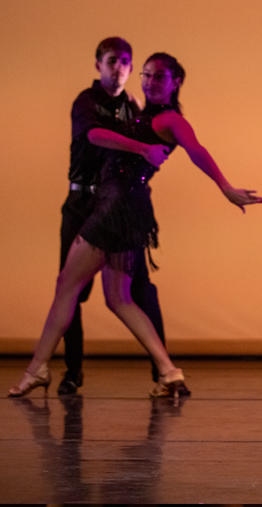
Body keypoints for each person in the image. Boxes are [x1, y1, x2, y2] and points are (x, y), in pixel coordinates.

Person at [8, 52, 262, 398]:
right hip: (126, 208)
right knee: (119, 299)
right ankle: (169, 371)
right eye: (145, 74)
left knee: (67, 284)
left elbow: (196, 150)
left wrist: (224, 186)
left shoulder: (171, 119)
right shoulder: (144, 113)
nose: (149, 81)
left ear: (176, 83)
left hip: (116, 211)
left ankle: (37, 368)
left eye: (159, 76)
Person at [57, 37, 188, 397]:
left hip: (118, 210)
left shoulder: (134, 107)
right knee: (72, 289)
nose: (120, 68)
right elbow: (94, 135)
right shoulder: (87, 102)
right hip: (83, 205)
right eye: (112, 61)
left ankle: (165, 372)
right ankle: (72, 372)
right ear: (98, 64)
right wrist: (143, 148)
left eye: (126, 63)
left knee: (137, 291)